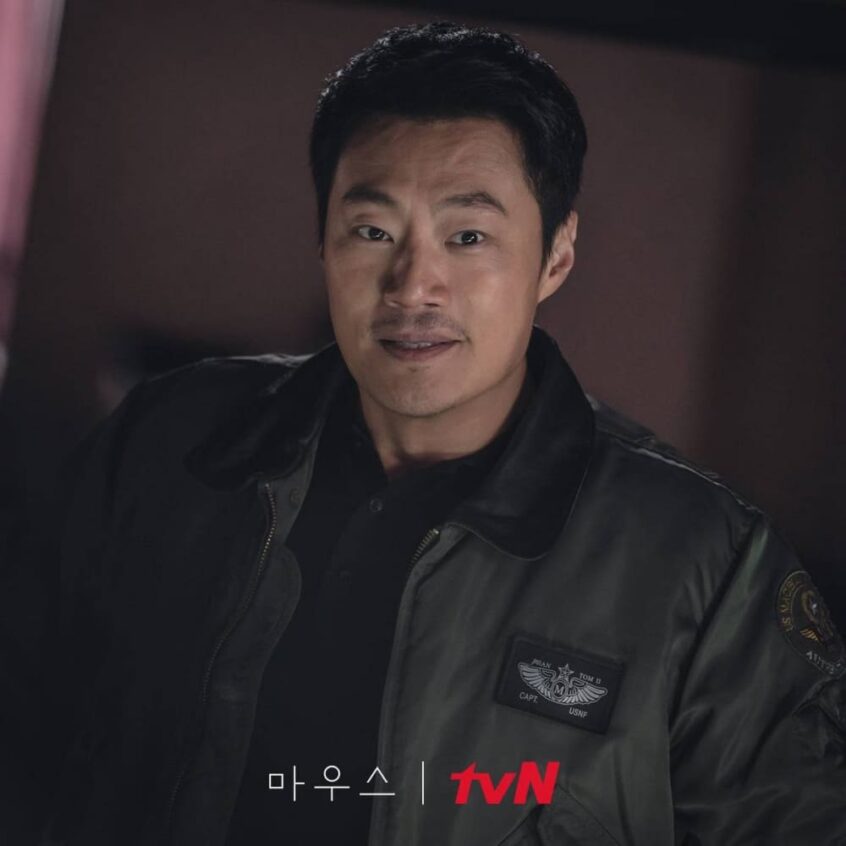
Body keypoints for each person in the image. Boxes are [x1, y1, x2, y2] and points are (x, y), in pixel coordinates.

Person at [2, 20, 844, 846]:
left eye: (468, 236)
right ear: (323, 238)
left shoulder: (704, 563)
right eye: (373, 231)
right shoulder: (168, 444)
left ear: (555, 255)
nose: (413, 286)